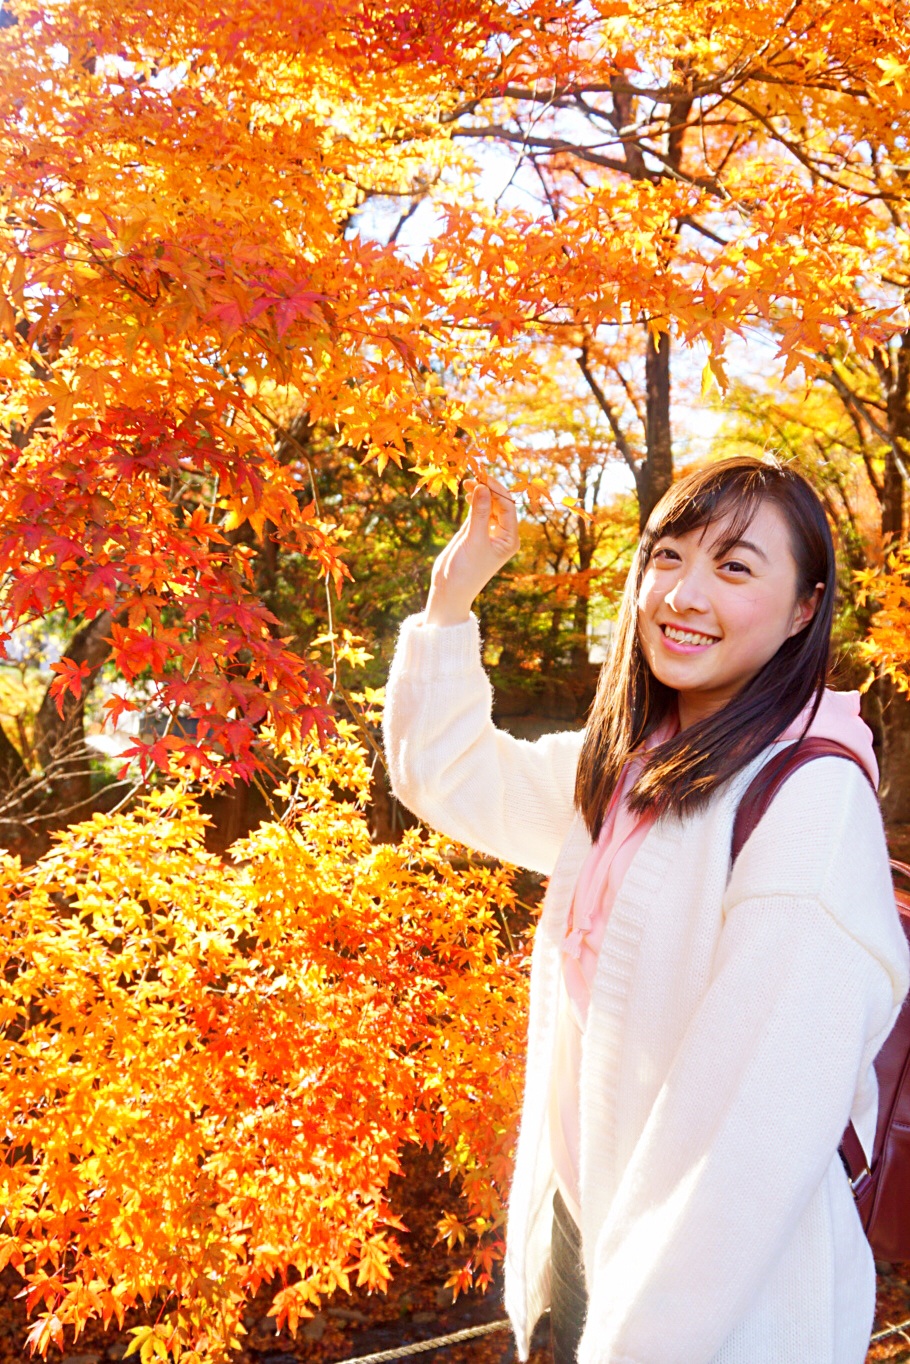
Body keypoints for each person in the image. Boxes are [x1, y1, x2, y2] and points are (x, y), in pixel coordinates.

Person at [382, 456, 910, 1364]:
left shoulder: (809, 805)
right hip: (595, 1233)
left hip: (714, 1308)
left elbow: (751, 1141)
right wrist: (451, 595)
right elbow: (453, 775)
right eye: (667, 556)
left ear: (801, 609)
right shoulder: (641, 762)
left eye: (735, 567)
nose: (683, 593)